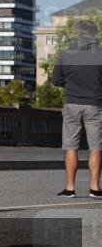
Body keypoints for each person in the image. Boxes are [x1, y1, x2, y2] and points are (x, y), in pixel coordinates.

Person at [52, 19, 102, 198]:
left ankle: (70, 188)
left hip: (72, 103)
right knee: (96, 146)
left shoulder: (66, 54)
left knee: (70, 146)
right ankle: (95, 188)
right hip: (95, 104)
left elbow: (56, 80)